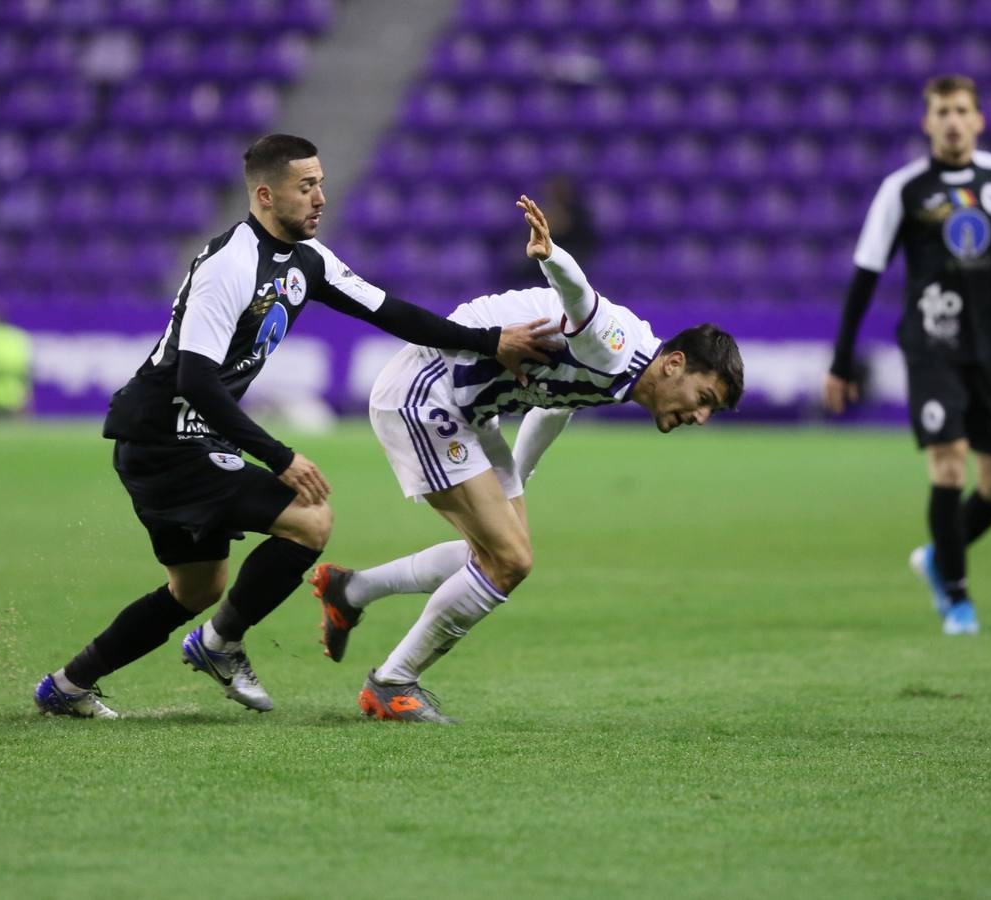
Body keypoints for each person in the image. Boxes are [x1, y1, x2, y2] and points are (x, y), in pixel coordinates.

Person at [33, 134, 559, 718]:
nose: (320, 198)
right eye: (306, 187)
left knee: (197, 590)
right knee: (309, 520)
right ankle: (220, 644)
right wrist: (280, 456)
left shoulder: (310, 258)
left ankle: (68, 686)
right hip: (164, 440)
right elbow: (196, 382)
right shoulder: (228, 265)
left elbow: (390, 312)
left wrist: (490, 341)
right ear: (265, 194)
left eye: (322, 184)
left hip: (188, 440)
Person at [308, 194, 744, 723]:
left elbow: (555, 407)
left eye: (710, 412)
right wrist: (552, 255)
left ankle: (349, 589)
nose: (699, 417)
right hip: (426, 395)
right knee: (509, 560)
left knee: (498, 554)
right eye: (703, 400)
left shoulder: (623, 379)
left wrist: (517, 480)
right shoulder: (620, 344)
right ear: (675, 364)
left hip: (472, 414)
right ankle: (392, 684)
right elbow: (584, 300)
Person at [823, 75, 991, 635]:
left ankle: (937, 556)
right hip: (931, 347)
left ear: (978, 119)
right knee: (949, 461)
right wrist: (841, 360)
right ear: (926, 121)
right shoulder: (903, 189)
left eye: (961, 111)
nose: (953, 121)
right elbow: (865, 275)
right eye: (942, 112)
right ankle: (957, 599)